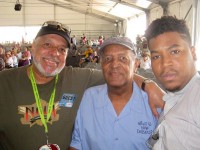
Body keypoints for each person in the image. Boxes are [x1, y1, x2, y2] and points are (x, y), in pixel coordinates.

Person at [0, 21, 163, 150]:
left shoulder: (77, 78)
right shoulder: (4, 82)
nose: (54, 53)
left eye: (62, 49)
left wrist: (147, 83)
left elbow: (116, 73)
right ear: (33, 47)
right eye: (47, 45)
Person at [69, 37, 161, 150]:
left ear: (136, 64)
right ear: (101, 64)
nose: (114, 65)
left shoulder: (153, 103)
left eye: (123, 58)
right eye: (108, 59)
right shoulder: (88, 98)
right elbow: (77, 142)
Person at [145, 16, 200, 149]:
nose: (165, 64)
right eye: (156, 56)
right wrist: (146, 83)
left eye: (175, 52)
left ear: (193, 53)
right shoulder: (176, 95)